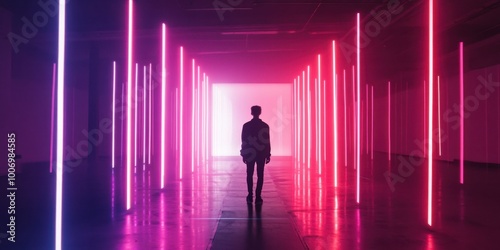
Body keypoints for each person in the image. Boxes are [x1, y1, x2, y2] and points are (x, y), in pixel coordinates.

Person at [240, 105, 271, 204]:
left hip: (250, 153)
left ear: (251, 112)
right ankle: (258, 196)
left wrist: (244, 153)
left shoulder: (246, 125)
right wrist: (268, 153)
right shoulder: (265, 126)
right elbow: (267, 141)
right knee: (260, 175)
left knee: (249, 174)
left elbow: (244, 140)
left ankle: (250, 195)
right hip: (261, 153)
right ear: (260, 112)